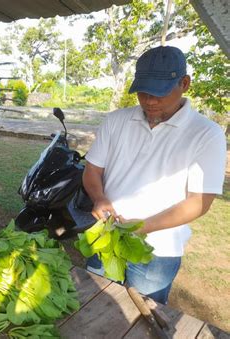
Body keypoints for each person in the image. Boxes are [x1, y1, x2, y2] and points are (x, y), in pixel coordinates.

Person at [81, 45, 226, 304]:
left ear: (184, 83)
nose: (149, 100)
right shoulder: (116, 120)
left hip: (158, 252)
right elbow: (93, 169)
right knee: (93, 307)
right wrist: (99, 198)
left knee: (142, 320)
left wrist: (142, 227)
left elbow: (199, 202)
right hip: (106, 235)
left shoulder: (207, 134)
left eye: (159, 92)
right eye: (143, 92)